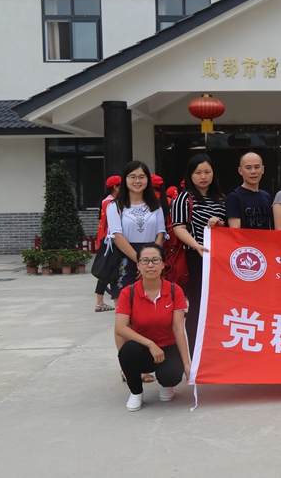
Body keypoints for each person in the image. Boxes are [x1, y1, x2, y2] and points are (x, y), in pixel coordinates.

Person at [115, 243, 190, 412]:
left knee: (172, 374)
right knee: (127, 351)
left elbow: (178, 329)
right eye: (145, 260)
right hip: (141, 349)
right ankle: (136, 392)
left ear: (163, 264)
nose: (150, 265)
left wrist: (186, 364)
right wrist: (150, 344)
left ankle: (166, 384)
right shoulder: (128, 292)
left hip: (167, 347)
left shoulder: (174, 290)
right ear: (138, 265)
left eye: (155, 260)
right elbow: (120, 328)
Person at [171, 154, 227, 354]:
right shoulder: (184, 198)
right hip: (196, 257)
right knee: (197, 304)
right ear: (190, 175)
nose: (203, 177)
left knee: (217, 304)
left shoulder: (221, 198)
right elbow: (178, 228)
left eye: (207, 172)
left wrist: (220, 223)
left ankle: (214, 349)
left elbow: (228, 226)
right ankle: (196, 352)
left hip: (218, 258)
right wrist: (197, 246)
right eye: (198, 172)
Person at [106, 161, 166, 301]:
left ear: (147, 180)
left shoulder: (156, 206)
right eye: (132, 177)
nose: (137, 181)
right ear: (125, 179)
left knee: (151, 304)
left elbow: (160, 234)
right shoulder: (115, 206)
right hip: (125, 258)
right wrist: (140, 261)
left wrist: (151, 261)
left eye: (142, 177)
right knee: (124, 305)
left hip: (151, 260)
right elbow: (116, 236)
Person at [93, 175, 120, 312]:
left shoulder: (106, 201)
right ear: (115, 187)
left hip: (105, 239)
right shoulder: (111, 202)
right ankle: (100, 302)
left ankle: (100, 302)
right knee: (107, 271)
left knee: (106, 270)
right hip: (110, 241)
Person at [226, 152, 273, 229]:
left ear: (263, 169)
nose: (253, 171)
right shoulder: (234, 197)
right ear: (240, 171)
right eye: (248, 168)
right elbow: (235, 231)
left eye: (257, 167)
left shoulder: (267, 196)